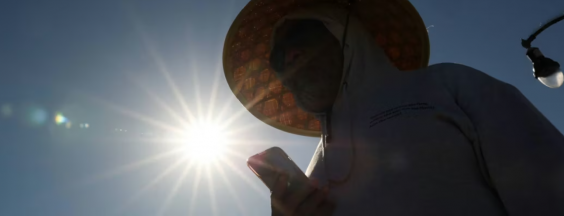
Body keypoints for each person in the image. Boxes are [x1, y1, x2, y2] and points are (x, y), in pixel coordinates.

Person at [223, 1, 564, 215]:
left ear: (346, 34)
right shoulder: (314, 170)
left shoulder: (448, 83)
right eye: (277, 58)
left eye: (300, 37)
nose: (289, 58)